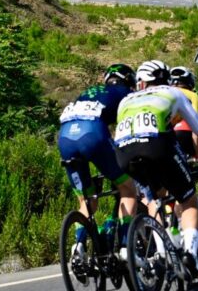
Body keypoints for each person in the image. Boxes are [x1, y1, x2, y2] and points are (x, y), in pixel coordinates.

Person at [114, 60, 198, 282]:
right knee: (188, 200)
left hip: (123, 153)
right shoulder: (173, 93)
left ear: (141, 83)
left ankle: (162, 253)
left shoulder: (125, 101)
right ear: (166, 79)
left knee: (155, 198)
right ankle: (190, 256)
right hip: (156, 145)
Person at [58, 64, 139, 256]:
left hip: (65, 138)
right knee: (128, 189)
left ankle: (78, 246)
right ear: (129, 81)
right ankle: (125, 246)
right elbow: (131, 130)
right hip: (92, 134)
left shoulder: (88, 92)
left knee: (87, 200)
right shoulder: (126, 94)